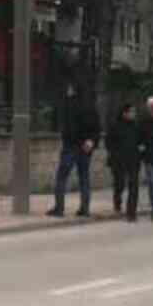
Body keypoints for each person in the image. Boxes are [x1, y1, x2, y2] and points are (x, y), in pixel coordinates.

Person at [47, 81, 101, 218]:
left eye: (70, 88)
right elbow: (97, 127)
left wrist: (68, 138)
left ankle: (59, 208)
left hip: (71, 145)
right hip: (85, 146)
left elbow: (68, 127)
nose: (68, 91)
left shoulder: (69, 105)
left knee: (62, 177)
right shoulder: (90, 106)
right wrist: (91, 141)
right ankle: (85, 208)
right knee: (84, 177)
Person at [105, 103, 142, 222]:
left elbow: (141, 141)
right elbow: (108, 142)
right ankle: (117, 201)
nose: (133, 114)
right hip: (118, 160)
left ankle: (131, 212)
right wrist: (115, 153)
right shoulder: (115, 126)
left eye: (134, 112)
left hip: (133, 160)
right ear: (124, 113)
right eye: (131, 112)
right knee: (119, 184)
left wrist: (141, 149)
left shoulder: (136, 126)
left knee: (134, 186)